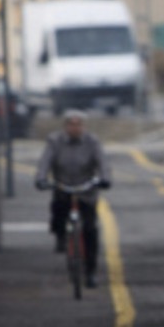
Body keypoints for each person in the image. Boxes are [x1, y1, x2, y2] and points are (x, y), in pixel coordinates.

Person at [35, 109, 111, 288]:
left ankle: (90, 271)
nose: (75, 128)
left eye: (79, 125)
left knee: (90, 229)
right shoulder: (55, 141)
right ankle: (60, 235)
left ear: (84, 127)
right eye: (71, 124)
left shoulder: (92, 142)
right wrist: (41, 179)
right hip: (63, 186)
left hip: (86, 189)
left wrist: (105, 179)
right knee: (58, 210)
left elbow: (103, 162)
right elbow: (45, 162)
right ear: (65, 126)